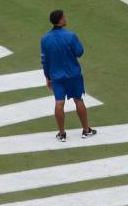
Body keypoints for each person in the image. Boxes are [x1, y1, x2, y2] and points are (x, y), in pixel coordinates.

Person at [41, 9, 96, 141]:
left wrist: (48, 77)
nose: (66, 18)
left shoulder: (45, 39)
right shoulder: (71, 36)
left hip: (56, 76)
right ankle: (86, 130)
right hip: (73, 75)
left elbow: (45, 60)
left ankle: (62, 133)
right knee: (78, 100)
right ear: (60, 20)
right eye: (64, 17)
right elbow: (79, 52)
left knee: (59, 103)